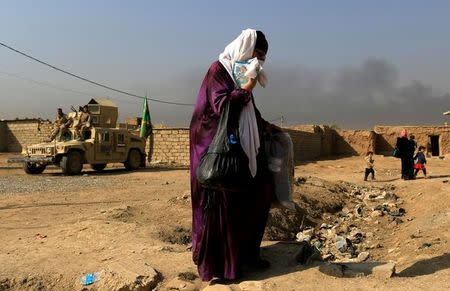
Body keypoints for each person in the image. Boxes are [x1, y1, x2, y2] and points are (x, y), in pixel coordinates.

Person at [189, 29, 277, 281]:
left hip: (238, 146)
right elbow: (222, 105)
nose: (259, 63)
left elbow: (249, 112)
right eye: (257, 56)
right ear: (246, 50)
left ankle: (247, 255)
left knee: (260, 192)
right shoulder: (219, 70)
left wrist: (266, 127)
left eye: (262, 59)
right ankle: (220, 268)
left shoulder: (239, 75)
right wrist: (247, 87)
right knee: (221, 205)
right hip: (215, 150)